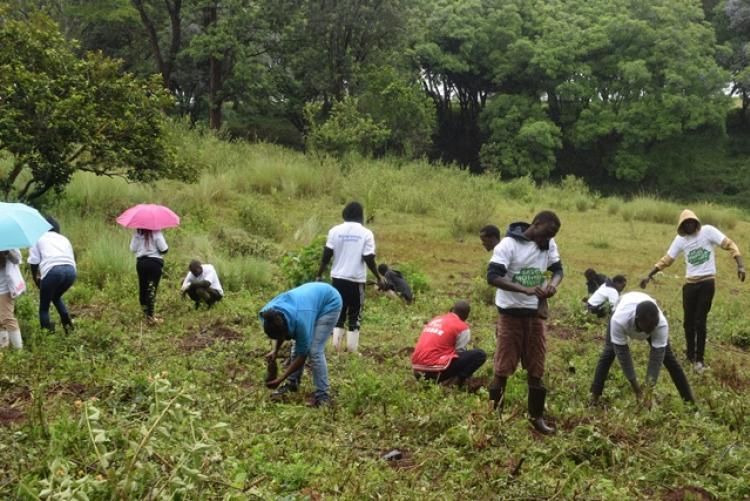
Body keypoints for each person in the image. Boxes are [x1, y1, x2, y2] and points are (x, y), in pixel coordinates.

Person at [481, 212, 563, 435]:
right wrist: (523, 289)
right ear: (535, 225)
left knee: (537, 365)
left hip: (535, 314)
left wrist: (552, 286)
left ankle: (536, 418)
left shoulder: (548, 243)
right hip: (510, 315)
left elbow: (557, 270)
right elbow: (493, 277)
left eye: (552, 235)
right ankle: (494, 417)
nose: (548, 240)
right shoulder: (508, 245)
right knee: (503, 366)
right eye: (546, 233)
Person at [640, 209, 745, 374]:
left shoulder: (708, 231)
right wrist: (649, 275)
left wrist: (740, 265)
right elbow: (667, 259)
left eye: (691, 222)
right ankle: (690, 356)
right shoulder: (681, 239)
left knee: (700, 321)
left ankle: (699, 360)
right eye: (685, 224)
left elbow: (729, 244)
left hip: (707, 283)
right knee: (688, 322)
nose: (689, 226)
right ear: (682, 226)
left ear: (696, 222)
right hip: (690, 285)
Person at [590, 291, 694, 406]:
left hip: (644, 306)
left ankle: (690, 402)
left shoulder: (660, 325)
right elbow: (624, 357)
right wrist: (637, 390)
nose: (652, 330)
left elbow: (656, 360)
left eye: (654, 326)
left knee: (669, 359)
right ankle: (594, 396)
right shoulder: (619, 320)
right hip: (623, 305)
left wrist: (648, 392)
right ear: (638, 319)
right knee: (609, 353)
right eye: (649, 326)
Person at [316, 201, 384, 353]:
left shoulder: (334, 231)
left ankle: (336, 347)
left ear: (345, 214)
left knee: (338, 312)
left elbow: (326, 255)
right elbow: (368, 258)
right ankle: (352, 350)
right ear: (361, 215)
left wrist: (319, 274)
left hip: (337, 279)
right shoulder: (366, 233)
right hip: (356, 280)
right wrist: (378, 276)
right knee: (355, 314)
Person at [260, 282, 343, 407]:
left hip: (329, 303)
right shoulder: (267, 315)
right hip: (309, 301)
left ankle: (323, 396)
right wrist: (275, 351)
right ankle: (293, 384)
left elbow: (302, 355)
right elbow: (280, 333)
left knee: (314, 351)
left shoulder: (301, 321)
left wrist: (280, 378)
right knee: (297, 345)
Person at [411, 300, 486, 386]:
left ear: (452, 309)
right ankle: (455, 383)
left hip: (417, 371)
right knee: (480, 355)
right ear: (466, 316)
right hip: (434, 372)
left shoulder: (436, 319)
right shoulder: (462, 327)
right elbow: (459, 352)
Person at [27, 217, 77, 332]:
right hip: (71, 271)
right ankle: (68, 326)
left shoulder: (38, 238)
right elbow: (73, 256)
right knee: (56, 296)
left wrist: (36, 279)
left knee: (44, 308)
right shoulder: (64, 239)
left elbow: (34, 261)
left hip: (53, 271)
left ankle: (47, 334)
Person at [130, 228, 169, 324]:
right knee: (152, 289)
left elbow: (132, 249)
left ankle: (145, 314)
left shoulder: (137, 234)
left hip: (141, 263)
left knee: (143, 288)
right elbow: (164, 249)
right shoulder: (156, 232)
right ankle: (151, 317)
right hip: (155, 263)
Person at [0, 249, 24, 349]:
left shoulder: (8, 244)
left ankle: (19, 351)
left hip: (3, 288)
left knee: (7, 318)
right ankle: (4, 346)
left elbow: (17, 259)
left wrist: (6, 252)